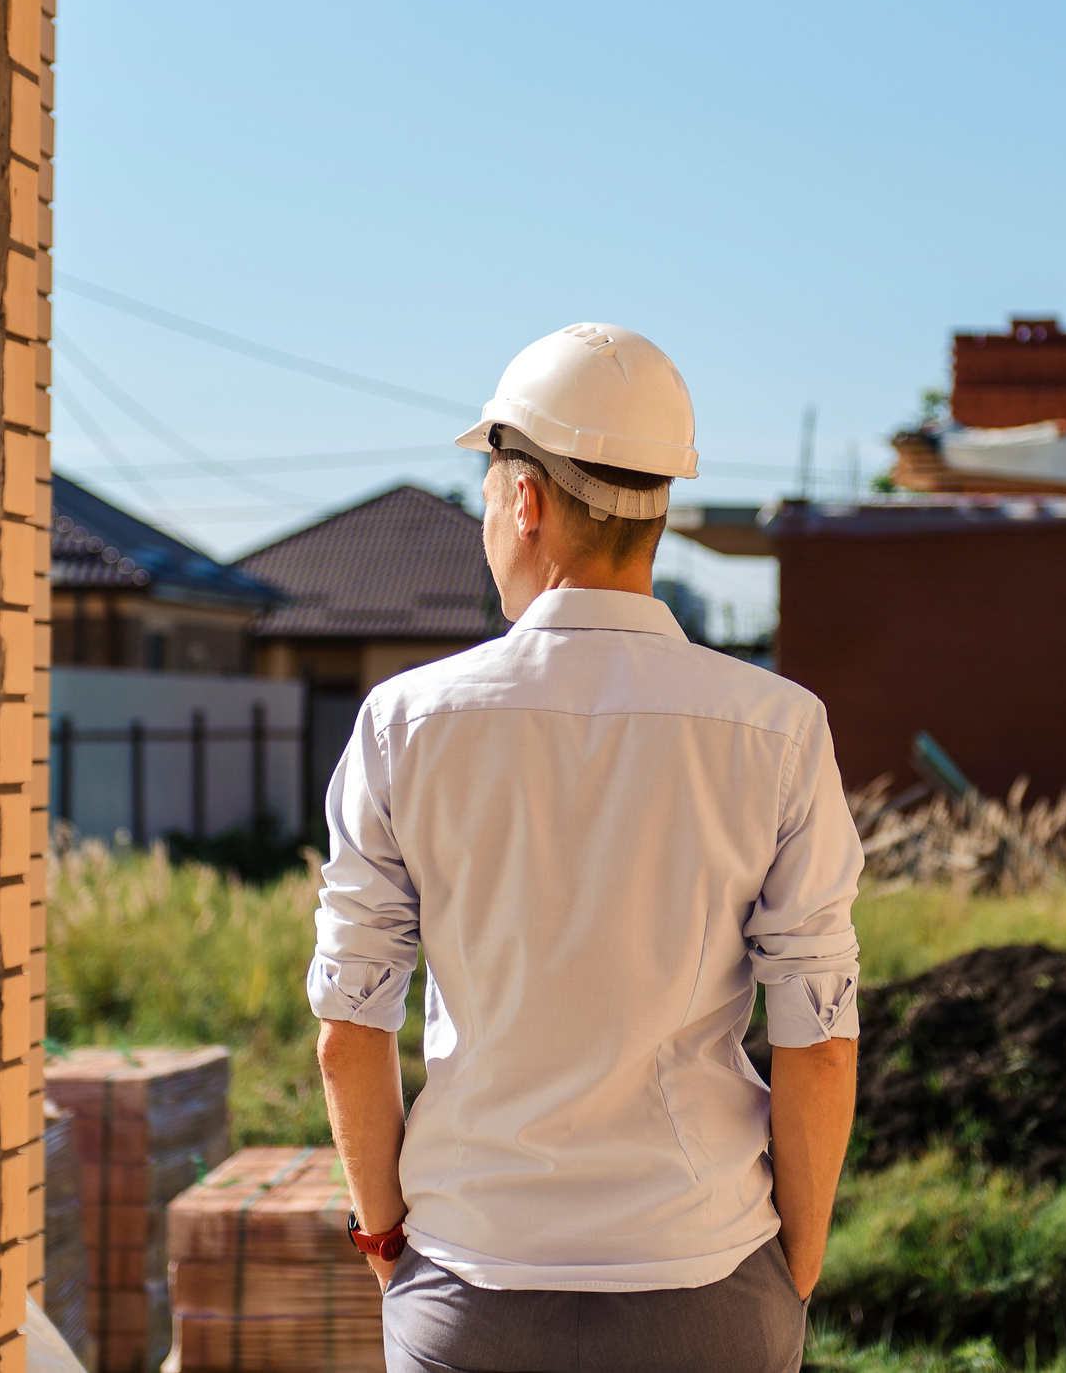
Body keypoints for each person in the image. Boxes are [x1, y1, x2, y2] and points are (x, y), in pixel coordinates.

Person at [307, 322, 864, 1373]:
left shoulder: (402, 723)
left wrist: (385, 1241)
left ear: (525, 500)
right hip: (708, 1279)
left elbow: (349, 1026)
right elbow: (821, 1039)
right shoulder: (779, 728)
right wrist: (795, 1266)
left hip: (471, 1282)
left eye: (486, 495)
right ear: (658, 506)